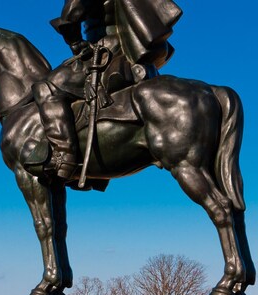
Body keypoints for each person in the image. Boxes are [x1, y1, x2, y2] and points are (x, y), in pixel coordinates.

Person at [33, 0, 182, 180]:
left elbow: (70, 16)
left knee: (46, 88)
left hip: (106, 53)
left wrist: (75, 42)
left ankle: (64, 156)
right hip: (129, 50)